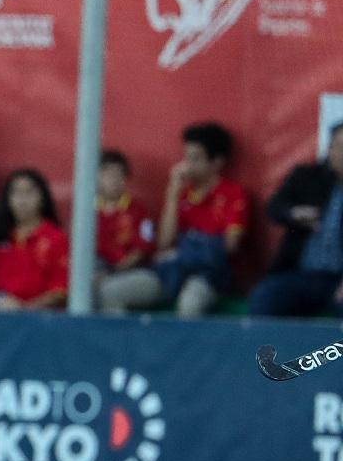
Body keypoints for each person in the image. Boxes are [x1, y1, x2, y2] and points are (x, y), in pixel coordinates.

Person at [97, 123, 247, 317]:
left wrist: (185, 250)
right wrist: (172, 195)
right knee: (109, 292)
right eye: (186, 157)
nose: (186, 164)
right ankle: (120, 347)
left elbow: (230, 245)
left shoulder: (233, 194)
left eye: (195, 158)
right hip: (171, 271)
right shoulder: (182, 194)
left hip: (207, 275)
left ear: (216, 162)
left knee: (189, 305)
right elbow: (164, 242)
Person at [249, 121, 343, 317]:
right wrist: (293, 213)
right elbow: (274, 207)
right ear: (330, 149)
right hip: (299, 274)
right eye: (340, 147)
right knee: (265, 299)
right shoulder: (307, 177)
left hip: (339, 278)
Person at [0, 169, 69, 310]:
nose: (22, 200)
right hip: (1, 314)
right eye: (16, 193)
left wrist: (26, 309)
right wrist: (1, 300)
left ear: (42, 197)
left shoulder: (56, 238)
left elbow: (60, 291)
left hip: (43, 317)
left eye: (29, 192)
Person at [93, 150, 157, 313]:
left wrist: (112, 272)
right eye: (107, 174)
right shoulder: (87, 213)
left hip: (133, 274)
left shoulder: (138, 211)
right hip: (97, 272)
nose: (114, 180)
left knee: (108, 290)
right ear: (96, 177)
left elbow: (142, 250)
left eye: (119, 175)